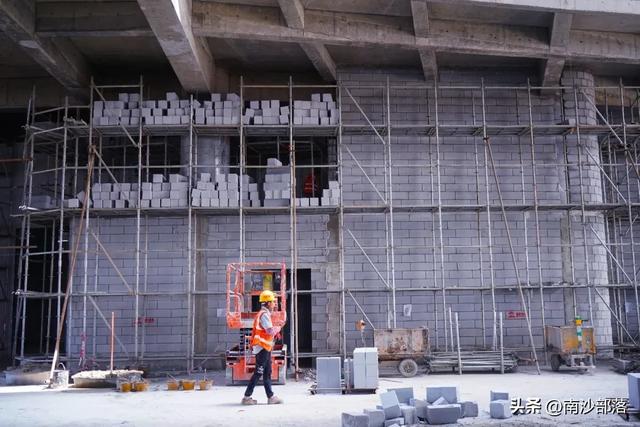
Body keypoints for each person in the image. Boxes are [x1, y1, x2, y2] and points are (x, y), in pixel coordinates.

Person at [241, 290, 284, 405]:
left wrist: (275, 331)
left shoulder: (264, 314)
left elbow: (267, 330)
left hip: (265, 347)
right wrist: (278, 328)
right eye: (273, 302)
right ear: (268, 303)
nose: (275, 304)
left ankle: (271, 396)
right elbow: (269, 330)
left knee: (267, 371)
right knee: (259, 372)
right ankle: (246, 397)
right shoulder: (264, 315)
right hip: (262, 348)